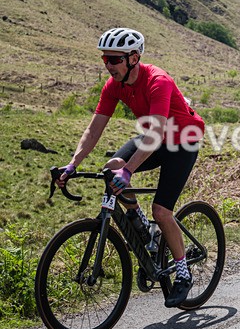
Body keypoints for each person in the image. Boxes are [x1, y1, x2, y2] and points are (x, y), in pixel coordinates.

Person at [57, 28, 205, 308]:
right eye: (105, 59)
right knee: (112, 167)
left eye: (114, 59)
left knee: (161, 211)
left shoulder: (158, 81)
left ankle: (183, 272)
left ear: (134, 58)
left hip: (183, 141)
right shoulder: (114, 85)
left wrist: (129, 172)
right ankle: (143, 227)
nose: (109, 65)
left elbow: (156, 133)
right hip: (154, 138)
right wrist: (73, 163)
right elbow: (94, 129)